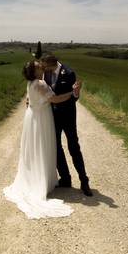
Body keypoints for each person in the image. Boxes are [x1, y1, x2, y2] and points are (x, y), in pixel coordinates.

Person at [3, 59, 81, 219]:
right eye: (37, 65)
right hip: (41, 118)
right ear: (35, 70)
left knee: (35, 149)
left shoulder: (31, 83)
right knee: (43, 147)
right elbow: (55, 99)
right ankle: (41, 181)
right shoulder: (41, 83)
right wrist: (72, 93)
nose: (40, 65)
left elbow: (30, 100)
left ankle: (37, 178)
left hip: (32, 117)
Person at [41, 53, 92, 196]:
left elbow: (74, 97)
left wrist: (76, 93)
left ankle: (84, 180)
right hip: (52, 116)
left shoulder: (69, 73)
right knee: (56, 147)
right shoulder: (46, 72)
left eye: (47, 67)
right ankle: (65, 178)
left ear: (53, 64)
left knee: (73, 147)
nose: (45, 70)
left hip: (68, 116)